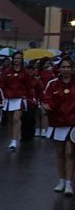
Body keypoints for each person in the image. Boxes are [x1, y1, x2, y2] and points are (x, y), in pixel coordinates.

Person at [41, 56, 75, 195]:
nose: (66, 69)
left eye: (68, 67)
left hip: (73, 123)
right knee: (60, 154)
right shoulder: (53, 84)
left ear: (72, 69)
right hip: (58, 122)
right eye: (63, 67)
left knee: (70, 153)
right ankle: (61, 181)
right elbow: (47, 98)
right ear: (59, 69)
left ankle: (69, 184)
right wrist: (47, 106)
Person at [0, 51, 35, 151]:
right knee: (10, 120)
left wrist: (30, 98)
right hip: (9, 98)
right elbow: (2, 84)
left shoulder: (25, 73)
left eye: (19, 58)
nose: (16, 60)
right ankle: (12, 138)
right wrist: (4, 95)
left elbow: (29, 87)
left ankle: (15, 140)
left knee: (16, 119)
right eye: (15, 58)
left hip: (20, 98)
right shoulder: (7, 72)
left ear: (22, 60)